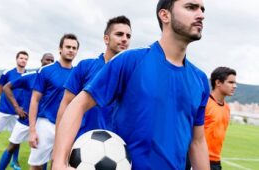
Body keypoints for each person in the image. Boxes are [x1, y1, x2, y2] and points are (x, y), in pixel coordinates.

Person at [52, 0, 210, 169]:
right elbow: (77, 104)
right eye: (191, 7)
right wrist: (59, 162)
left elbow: (197, 141)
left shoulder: (200, 80)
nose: (201, 14)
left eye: (202, 9)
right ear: (165, 15)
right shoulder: (130, 61)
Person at [53, 15, 131, 145]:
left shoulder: (131, 73)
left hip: (116, 146)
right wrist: (58, 144)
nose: (124, 39)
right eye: (119, 34)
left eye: (128, 36)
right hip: (81, 143)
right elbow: (66, 104)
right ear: (106, 39)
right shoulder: (85, 66)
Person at [28, 34, 79, 170]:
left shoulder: (78, 74)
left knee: (59, 164)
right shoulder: (46, 70)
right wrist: (32, 130)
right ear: (60, 49)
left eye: (74, 48)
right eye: (68, 47)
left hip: (67, 127)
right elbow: (34, 100)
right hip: (45, 124)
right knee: (36, 165)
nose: (71, 50)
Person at [0, 53, 54, 170]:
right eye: (47, 60)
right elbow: (6, 87)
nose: (49, 62)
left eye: (52, 60)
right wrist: (17, 107)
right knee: (12, 147)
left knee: (41, 156)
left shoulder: (53, 79)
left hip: (42, 123)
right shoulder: (30, 76)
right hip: (25, 121)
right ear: (41, 60)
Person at [205, 67, 236, 169]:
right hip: (200, 159)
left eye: (235, 83)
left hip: (216, 161)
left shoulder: (227, 108)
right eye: (230, 82)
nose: (234, 86)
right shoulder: (204, 103)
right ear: (218, 82)